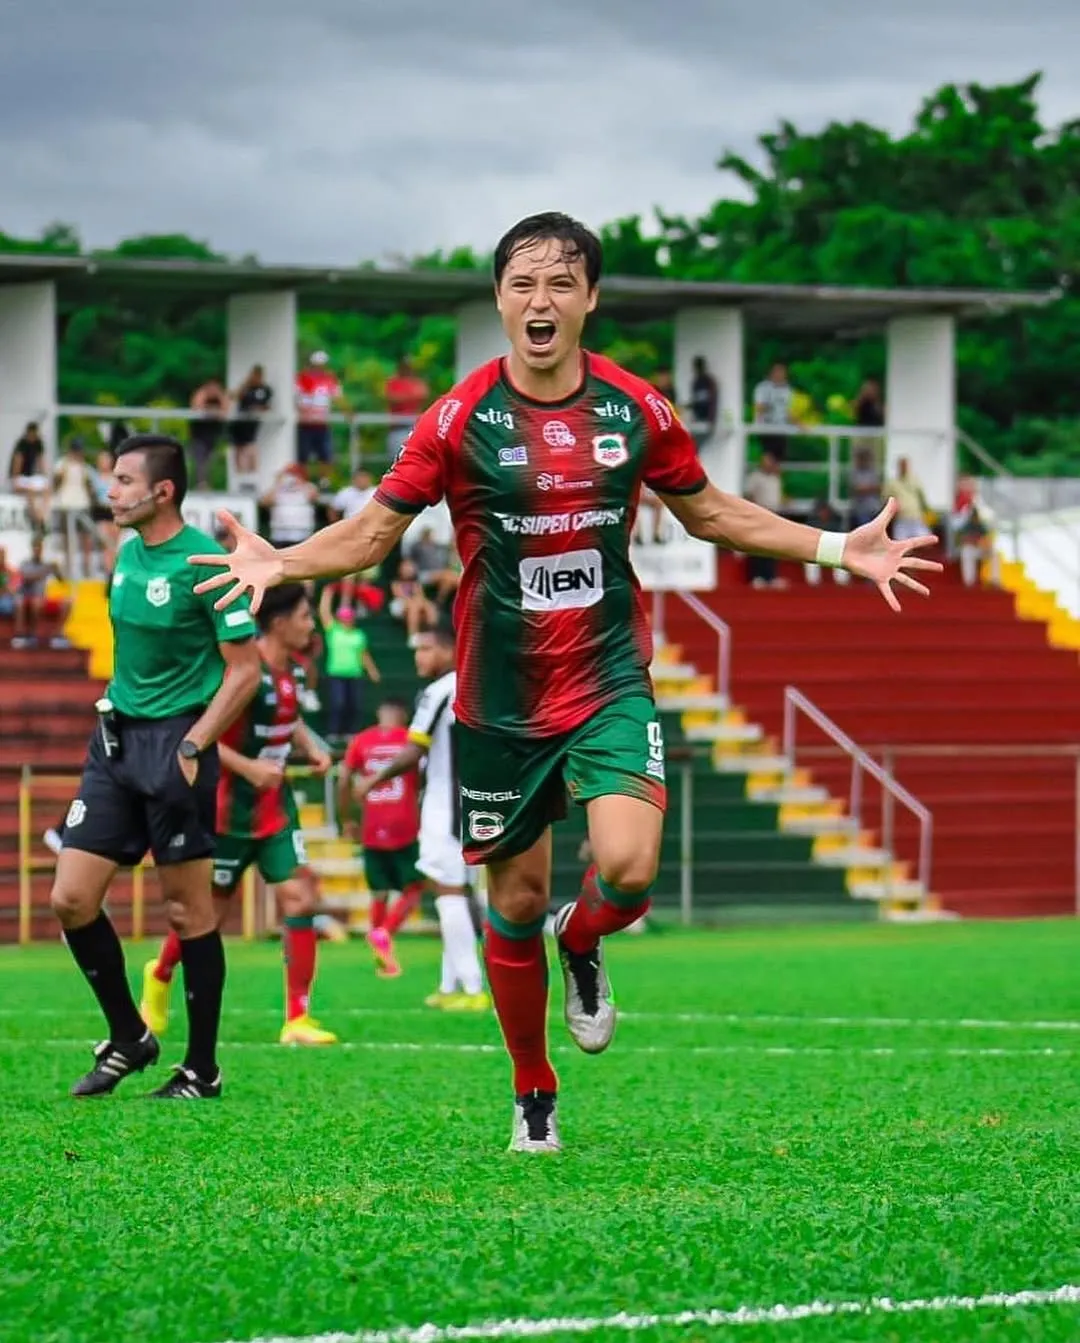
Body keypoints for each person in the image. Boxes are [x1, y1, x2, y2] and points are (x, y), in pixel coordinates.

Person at [189, 211, 940, 1152]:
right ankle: (532, 1086)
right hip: (499, 696)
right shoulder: (459, 416)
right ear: (500, 299)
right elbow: (376, 532)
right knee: (510, 901)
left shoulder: (635, 408)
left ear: (588, 298)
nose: (540, 300)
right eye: (522, 283)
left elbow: (708, 511)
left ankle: (581, 940)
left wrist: (837, 546)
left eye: (560, 283)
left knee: (626, 868)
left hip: (607, 676)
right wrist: (284, 563)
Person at [50, 432, 261, 1099]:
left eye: (121, 480)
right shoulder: (125, 552)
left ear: (161, 491)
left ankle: (202, 1068)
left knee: (188, 912)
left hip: (177, 741)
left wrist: (195, 744)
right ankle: (131, 1036)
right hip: (115, 740)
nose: (110, 491)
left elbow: (246, 671)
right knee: (71, 898)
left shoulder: (207, 561)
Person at [140, 583, 337, 1046]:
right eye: (305, 616)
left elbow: (290, 717)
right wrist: (250, 767)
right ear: (278, 622)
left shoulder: (295, 673)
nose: (311, 625)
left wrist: (312, 748)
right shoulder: (241, 672)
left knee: (300, 899)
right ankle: (161, 973)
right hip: (228, 812)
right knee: (206, 916)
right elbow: (199, 735)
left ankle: (297, 1019)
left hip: (275, 811)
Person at [349, 626, 489, 1011]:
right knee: (453, 892)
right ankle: (450, 985)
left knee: (448, 893)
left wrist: (371, 781)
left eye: (426, 648)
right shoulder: (476, 684)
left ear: (448, 648)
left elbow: (413, 752)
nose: (418, 657)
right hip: (474, 806)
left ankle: (473, 988)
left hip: (447, 809)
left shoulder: (440, 690)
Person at [338, 697, 425, 978]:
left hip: (371, 825)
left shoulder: (361, 741)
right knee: (415, 886)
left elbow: (343, 779)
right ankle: (385, 933)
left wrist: (346, 819)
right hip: (405, 823)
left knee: (379, 891)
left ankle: (382, 953)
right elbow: (422, 778)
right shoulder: (410, 740)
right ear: (403, 715)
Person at [317, 592, 381, 740]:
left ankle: (350, 733)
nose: (347, 621)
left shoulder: (359, 634)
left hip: (355, 674)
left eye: (349, 618)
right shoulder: (333, 631)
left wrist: (372, 671)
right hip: (336, 674)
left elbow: (364, 655)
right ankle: (334, 732)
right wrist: (327, 595)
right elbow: (324, 613)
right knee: (338, 704)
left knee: (353, 705)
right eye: (344, 618)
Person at [12, 535, 69, 649]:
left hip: (41, 597)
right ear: (32, 548)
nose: (38, 550)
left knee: (67, 602)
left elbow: (62, 580)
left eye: (40, 547)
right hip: (27, 596)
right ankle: (29, 635)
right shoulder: (25, 563)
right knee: (34, 602)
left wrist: (57, 569)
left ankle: (58, 635)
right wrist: (45, 570)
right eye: (36, 547)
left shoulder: (47, 565)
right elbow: (26, 577)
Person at [229, 364, 273, 479]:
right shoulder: (246, 387)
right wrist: (244, 385)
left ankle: (253, 475)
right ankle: (240, 475)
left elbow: (267, 406)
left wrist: (257, 409)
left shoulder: (265, 389)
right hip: (240, 422)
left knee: (250, 447)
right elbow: (233, 396)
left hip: (252, 423)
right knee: (238, 448)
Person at [189, 378, 230, 490]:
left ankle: (208, 484)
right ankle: (201, 485)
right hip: (199, 434)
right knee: (200, 460)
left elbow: (225, 411)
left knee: (210, 460)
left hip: (213, 434)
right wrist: (212, 409)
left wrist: (220, 396)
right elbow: (197, 408)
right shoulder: (201, 394)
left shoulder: (219, 397)